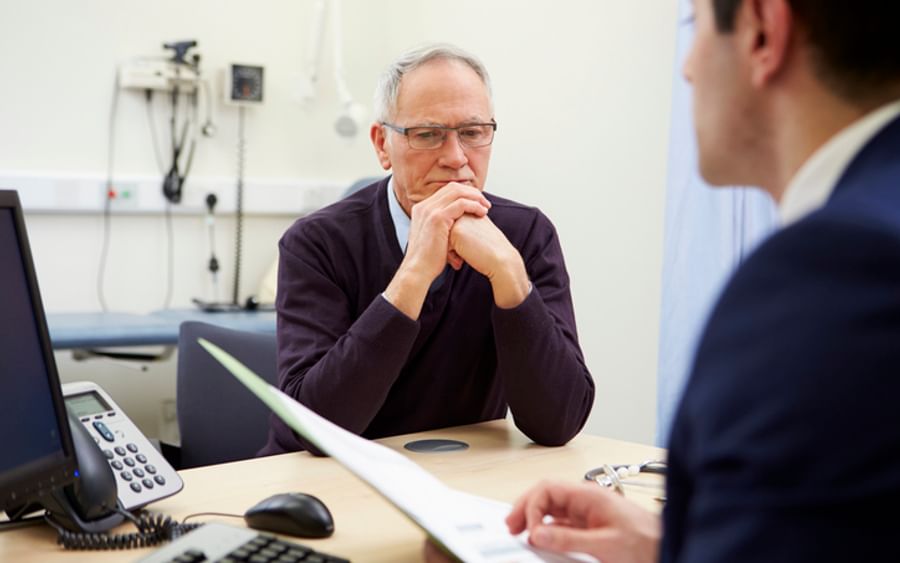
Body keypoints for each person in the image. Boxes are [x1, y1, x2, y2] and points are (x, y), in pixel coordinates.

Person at [497, 0, 900, 561]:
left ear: (762, 30)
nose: (687, 68)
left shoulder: (832, 268)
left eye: (696, 29)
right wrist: (669, 545)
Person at [260, 44, 595, 456]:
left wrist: (509, 272)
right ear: (382, 144)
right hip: (326, 484)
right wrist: (414, 274)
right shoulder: (316, 243)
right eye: (428, 135)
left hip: (460, 483)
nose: (456, 159)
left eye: (473, 133)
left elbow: (558, 422)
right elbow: (312, 430)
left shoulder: (526, 236)